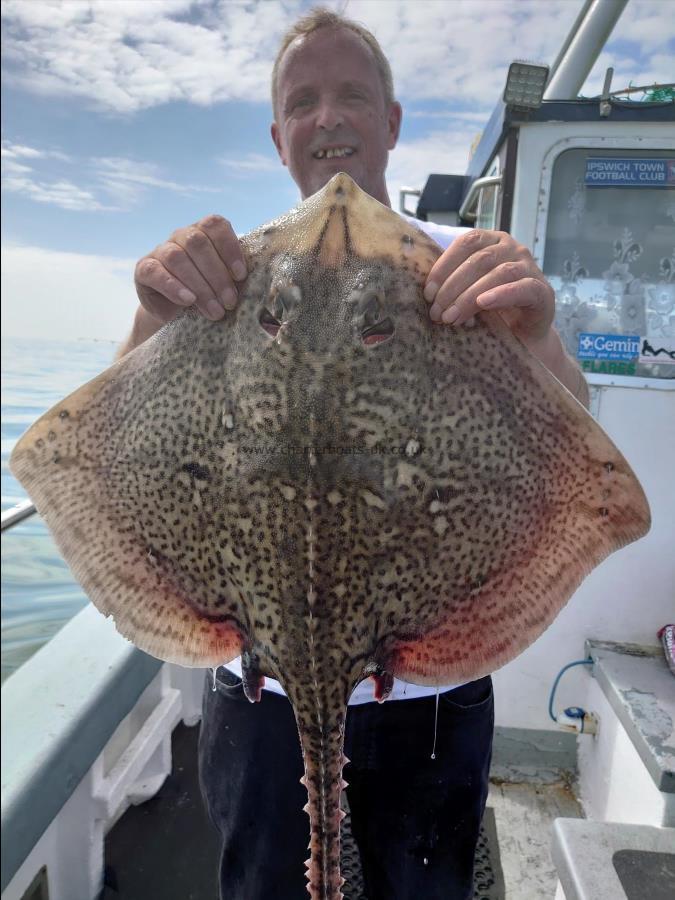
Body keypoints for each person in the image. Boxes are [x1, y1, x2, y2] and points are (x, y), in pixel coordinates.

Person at [118, 8, 589, 899]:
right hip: (256, 690)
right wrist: (152, 313)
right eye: (304, 101)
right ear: (278, 135)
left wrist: (535, 338)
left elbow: (572, 434)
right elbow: (108, 450)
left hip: (432, 691)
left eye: (351, 97)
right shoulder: (224, 281)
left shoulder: (465, 269)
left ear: (391, 122)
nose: (328, 117)